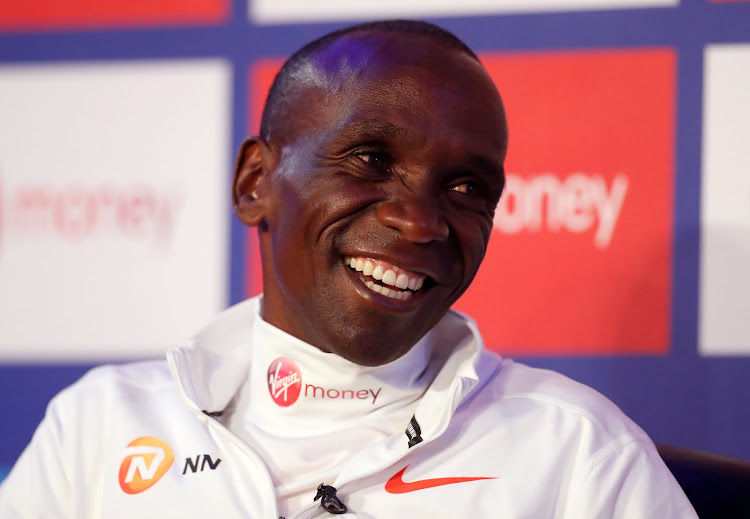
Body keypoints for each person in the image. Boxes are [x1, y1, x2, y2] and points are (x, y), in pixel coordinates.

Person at [0, 20, 696, 518]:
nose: (421, 221)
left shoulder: (580, 455)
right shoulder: (99, 425)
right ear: (254, 183)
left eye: (465, 188)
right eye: (370, 160)